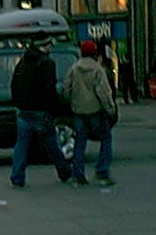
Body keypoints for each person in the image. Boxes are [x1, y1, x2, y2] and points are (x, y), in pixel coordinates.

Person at [9, 32, 72, 188]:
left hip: (24, 110)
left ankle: (17, 176)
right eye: (50, 44)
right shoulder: (47, 63)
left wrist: (19, 103)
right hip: (41, 111)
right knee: (51, 143)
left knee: (21, 145)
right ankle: (64, 170)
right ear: (45, 46)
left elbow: (15, 85)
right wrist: (53, 108)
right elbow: (49, 89)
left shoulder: (23, 61)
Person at [63, 41, 117, 187]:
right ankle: (102, 171)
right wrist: (110, 109)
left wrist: (73, 102)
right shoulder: (98, 70)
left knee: (80, 142)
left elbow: (66, 89)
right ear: (94, 53)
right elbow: (104, 92)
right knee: (106, 138)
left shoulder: (74, 69)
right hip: (95, 111)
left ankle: (78, 175)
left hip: (79, 111)